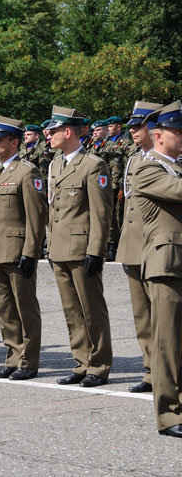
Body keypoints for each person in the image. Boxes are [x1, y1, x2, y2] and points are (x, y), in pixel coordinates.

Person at [46, 106, 113, 388]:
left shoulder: (92, 164)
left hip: (82, 248)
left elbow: (101, 212)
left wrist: (96, 250)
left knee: (91, 309)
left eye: (53, 130)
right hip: (60, 248)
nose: (48, 135)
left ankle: (98, 365)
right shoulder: (55, 165)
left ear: (68, 131)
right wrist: (49, 246)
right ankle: (81, 361)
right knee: (72, 310)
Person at [0, 117, 47, 380]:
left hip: (17, 250)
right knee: (4, 308)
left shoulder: (26, 171)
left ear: (14, 142)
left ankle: (28, 361)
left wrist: (31, 251)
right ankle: (13, 355)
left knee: (25, 308)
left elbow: (36, 216)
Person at [133, 101, 182, 438]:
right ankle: (169, 415)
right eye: (178, 132)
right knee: (168, 344)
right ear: (159, 136)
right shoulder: (148, 169)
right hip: (167, 264)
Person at [116, 101, 162, 393]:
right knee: (142, 315)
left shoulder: (171, 160)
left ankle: (167, 373)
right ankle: (149, 371)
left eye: (139, 125)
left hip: (158, 247)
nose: (133, 130)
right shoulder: (133, 160)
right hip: (134, 244)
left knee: (164, 316)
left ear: (156, 129)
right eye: (131, 125)